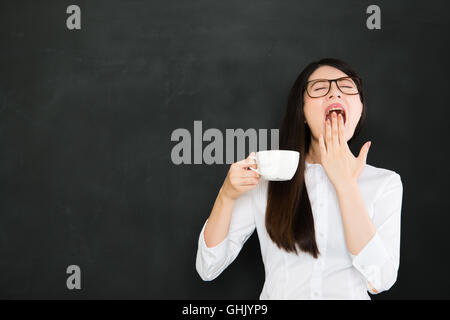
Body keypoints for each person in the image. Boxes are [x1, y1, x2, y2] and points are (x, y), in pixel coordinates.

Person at [195, 58, 403, 300]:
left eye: (346, 87)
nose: (335, 93)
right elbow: (208, 267)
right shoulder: (267, 178)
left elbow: (380, 281)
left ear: (359, 108)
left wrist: (346, 187)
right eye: (319, 88)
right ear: (302, 112)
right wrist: (227, 194)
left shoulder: (384, 183)